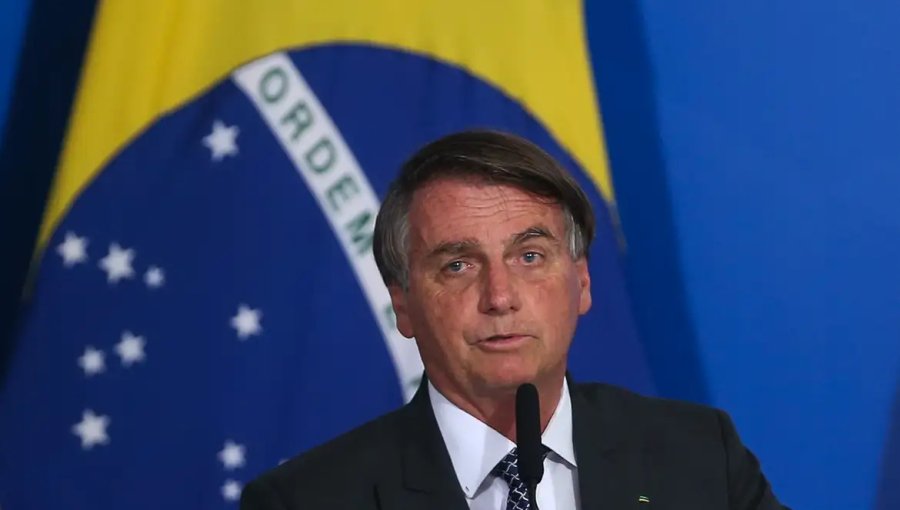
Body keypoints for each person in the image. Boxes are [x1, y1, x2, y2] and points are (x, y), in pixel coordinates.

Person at [240, 130, 787, 509]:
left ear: (582, 282)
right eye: (457, 265)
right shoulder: (306, 501)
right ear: (403, 304)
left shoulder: (699, 458)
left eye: (529, 256)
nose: (500, 297)